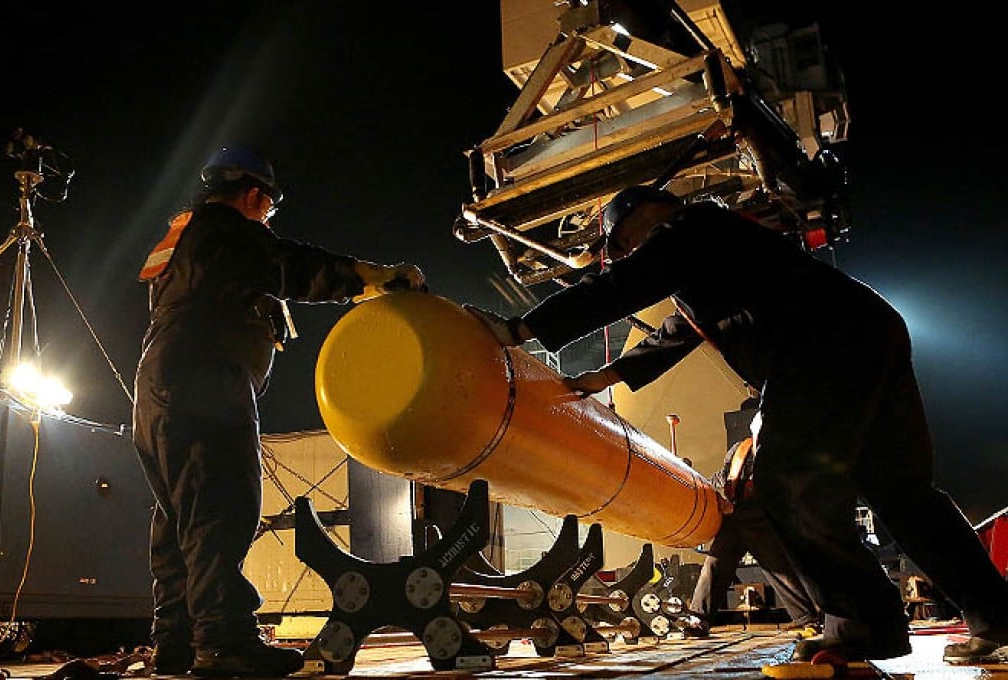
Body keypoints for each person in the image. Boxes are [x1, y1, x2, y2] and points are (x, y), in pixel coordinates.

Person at [465, 184, 1008, 665]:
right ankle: (998, 618)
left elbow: (624, 287)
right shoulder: (714, 251)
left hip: (819, 350)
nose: (629, 254)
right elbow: (676, 332)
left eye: (624, 244)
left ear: (639, 217)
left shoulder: (692, 226)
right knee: (905, 496)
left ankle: (863, 623)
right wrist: (603, 377)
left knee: (790, 487)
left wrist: (520, 328)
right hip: (868, 334)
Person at [132, 147, 427, 677]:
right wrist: (372, 277)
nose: (266, 219)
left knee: (179, 517)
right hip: (206, 381)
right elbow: (289, 264)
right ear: (253, 196)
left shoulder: (186, 240)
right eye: (266, 209)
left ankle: (175, 642)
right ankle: (224, 643)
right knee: (221, 506)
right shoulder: (223, 228)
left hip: (158, 388)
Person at [684, 435, 823, 640]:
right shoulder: (739, 450)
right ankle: (698, 619)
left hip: (761, 518)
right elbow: (721, 478)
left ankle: (808, 619)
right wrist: (690, 477)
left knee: (779, 570)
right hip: (735, 519)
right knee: (714, 566)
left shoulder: (776, 451)